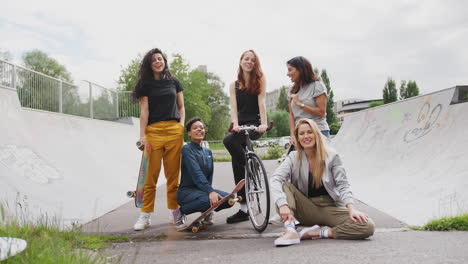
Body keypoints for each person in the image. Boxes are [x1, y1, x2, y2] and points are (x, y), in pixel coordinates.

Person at [270, 118, 374, 246]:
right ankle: (290, 231)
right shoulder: (293, 157)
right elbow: (275, 179)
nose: (306, 136)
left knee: (367, 226)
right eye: (301, 134)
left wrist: (352, 209)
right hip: (306, 208)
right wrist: (283, 205)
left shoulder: (332, 156)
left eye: (310, 132)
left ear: (316, 134)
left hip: (330, 208)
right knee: (282, 184)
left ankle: (319, 232)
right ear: (297, 138)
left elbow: (343, 185)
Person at [131, 48, 185, 231]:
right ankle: (145, 215)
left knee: (173, 176)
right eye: (154, 60)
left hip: (173, 131)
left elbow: (181, 106)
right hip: (154, 132)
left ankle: (174, 212)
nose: (157, 62)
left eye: (160, 59)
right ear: (149, 64)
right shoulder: (145, 84)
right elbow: (144, 111)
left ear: (164, 61)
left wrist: (181, 126)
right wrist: (142, 135)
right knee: (150, 176)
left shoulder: (174, 81)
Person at [223, 50, 268, 224]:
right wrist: (235, 124)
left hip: (255, 124)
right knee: (236, 158)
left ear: (255, 63)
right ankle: (243, 208)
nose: (249, 62)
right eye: (246, 59)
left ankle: (250, 170)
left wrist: (263, 124)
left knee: (229, 143)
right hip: (240, 125)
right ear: (240, 61)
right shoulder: (233, 85)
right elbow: (233, 108)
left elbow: (262, 102)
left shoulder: (260, 80)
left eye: (252, 60)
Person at [176, 117, 235, 230]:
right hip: (187, 192)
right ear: (189, 133)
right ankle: (179, 212)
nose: (199, 130)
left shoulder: (207, 151)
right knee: (209, 200)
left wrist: (210, 191)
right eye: (195, 128)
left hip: (202, 190)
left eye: (202, 128)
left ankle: (207, 212)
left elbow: (209, 175)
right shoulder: (187, 149)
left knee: (229, 199)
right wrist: (210, 192)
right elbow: (196, 173)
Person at [286, 56, 330, 150]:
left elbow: (321, 112)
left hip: (318, 131)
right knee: (300, 164)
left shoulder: (317, 86)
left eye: (290, 70)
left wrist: (300, 104)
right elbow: (291, 115)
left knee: (320, 164)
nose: (287, 74)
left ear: (300, 70)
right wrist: (293, 135)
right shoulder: (292, 90)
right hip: (300, 135)